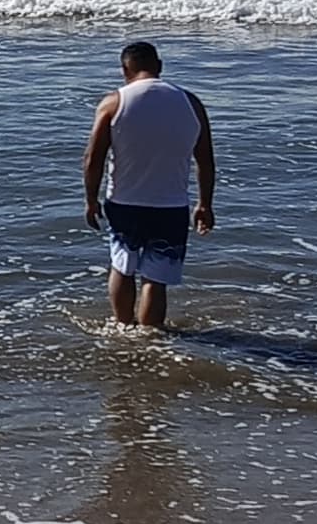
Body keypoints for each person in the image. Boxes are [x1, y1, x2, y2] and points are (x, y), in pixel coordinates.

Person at [81, 39, 216, 330]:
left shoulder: (114, 102)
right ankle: (149, 337)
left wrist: (90, 200)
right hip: (171, 205)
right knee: (156, 279)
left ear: (124, 71)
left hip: (125, 203)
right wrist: (205, 203)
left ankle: (122, 327)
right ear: (160, 67)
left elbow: (94, 158)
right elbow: (205, 159)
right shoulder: (190, 102)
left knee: (122, 267)